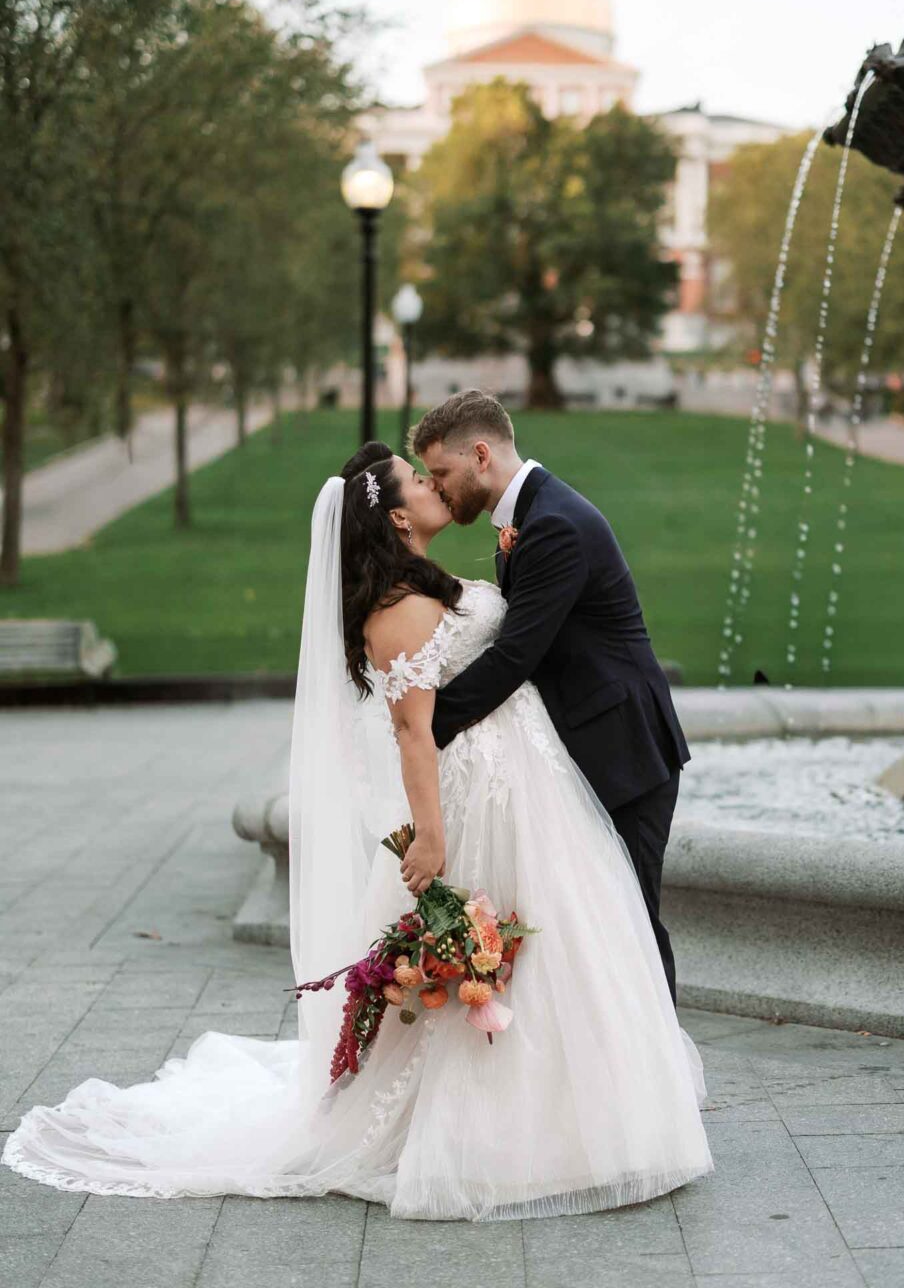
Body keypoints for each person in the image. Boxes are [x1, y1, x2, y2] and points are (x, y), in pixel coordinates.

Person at [2, 442, 712, 1222]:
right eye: (420, 480)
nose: (435, 484)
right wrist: (431, 839)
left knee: (568, 944)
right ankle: (515, 1130)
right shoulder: (397, 610)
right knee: (525, 947)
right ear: (399, 515)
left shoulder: (420, 585)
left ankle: (596, 1109)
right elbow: (414, 734)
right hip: (483, 794)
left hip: (529, 779)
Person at [413, 389, 689, 1004]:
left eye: (442, 473)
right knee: (605, 926)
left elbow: (514, 657)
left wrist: (424, 726)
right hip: (588, 746)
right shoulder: (532, 514)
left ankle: (661, 1089)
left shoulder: (554, 525)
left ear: (480, 455)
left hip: (624, 753)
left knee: (633, 924)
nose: (437, 489)